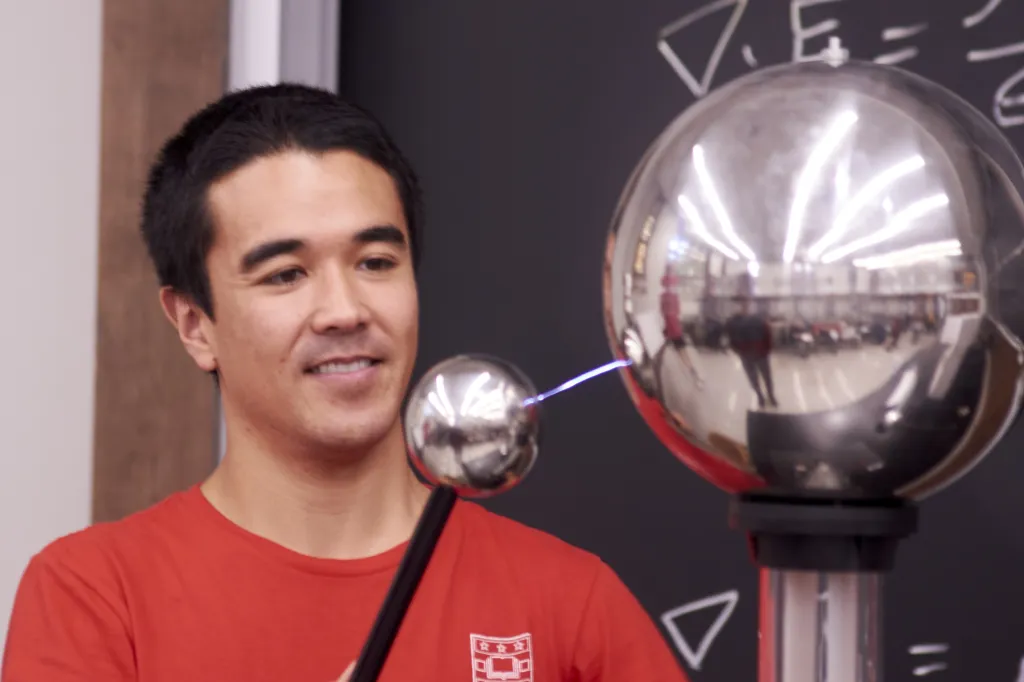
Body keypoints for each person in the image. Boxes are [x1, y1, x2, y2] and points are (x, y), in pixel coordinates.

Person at [1, 84, 690, 682]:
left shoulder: (570, 603)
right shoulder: (94, 597)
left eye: (376, 261)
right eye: (285, 275)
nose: (345, 311)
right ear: (193, 324)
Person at [725, 296, 778, 409]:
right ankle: (765, 397)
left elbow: (767, 333)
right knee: (761, 377)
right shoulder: (754, 320)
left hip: (753, 353)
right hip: (754, 353)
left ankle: (765, 397)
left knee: (759, 377)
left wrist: (737, 349)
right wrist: (767, 349)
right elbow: (768, 334)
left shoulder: (734, 321)